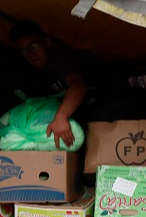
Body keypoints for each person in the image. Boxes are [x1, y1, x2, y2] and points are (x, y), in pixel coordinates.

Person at [9, 21, 88, 149]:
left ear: (46, 42)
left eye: (33, 46)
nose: (30, 54)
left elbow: (78, 86)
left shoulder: (61, 59)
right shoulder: (38, 73)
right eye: (24, 51)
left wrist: (61, 117)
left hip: (112, 101)